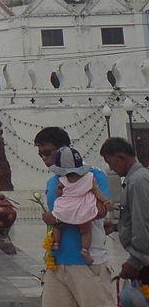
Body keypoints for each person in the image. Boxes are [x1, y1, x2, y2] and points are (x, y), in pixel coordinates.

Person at [34, 126, 115, 307]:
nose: (44, 159)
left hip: (87, 263)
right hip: (56, 263)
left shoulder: (92, 175)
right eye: (41, 155)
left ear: (63, 149)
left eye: (47, 153)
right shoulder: (53, 181)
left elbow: (100, 210)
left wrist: (58, 217)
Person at [49, 147, 113, 263]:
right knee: (85, 231)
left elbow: (58, 192)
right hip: (83, 209)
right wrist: (106, 201)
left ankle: (56, 242)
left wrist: (60, 192)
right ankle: (85, 250)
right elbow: (96, 192)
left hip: (66, 207)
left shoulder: (62, 179)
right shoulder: (90, 177)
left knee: (57, 224)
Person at [100, 138, 149, 283]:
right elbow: (133, 218)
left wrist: (135, 261)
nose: (112, 169)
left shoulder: (138, 181)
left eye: (111, 163)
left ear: (121, 157)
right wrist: (116, 226)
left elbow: (143, 224)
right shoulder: (134, 179)